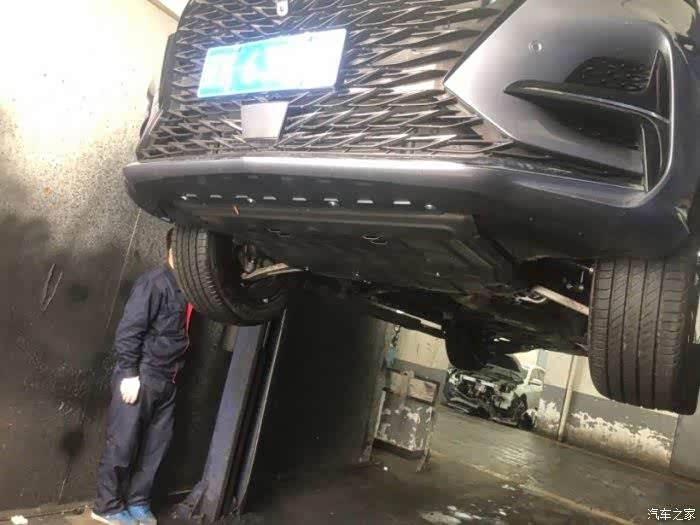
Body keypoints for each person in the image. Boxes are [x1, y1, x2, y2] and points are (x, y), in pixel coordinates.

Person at [92, 229, 193, 525]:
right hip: (143, 375)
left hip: (169, 379)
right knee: (122, 443)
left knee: (155, 447)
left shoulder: (189, 288)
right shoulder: (154, 283)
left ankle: (138, 501)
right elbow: (129, 330)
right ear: (173, 251)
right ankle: (106, 506)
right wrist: (129, 373)